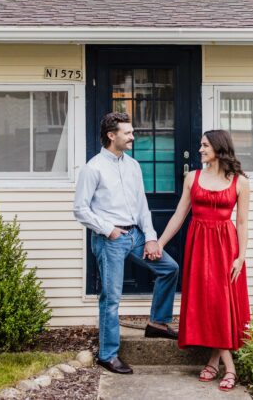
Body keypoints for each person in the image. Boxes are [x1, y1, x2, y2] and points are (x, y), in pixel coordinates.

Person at [73, 112, 180, 375]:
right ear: (112, 135)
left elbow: (142, 204)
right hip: (110, 239)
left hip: (137, 236)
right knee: (111, 298)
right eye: (128, 132)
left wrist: (151, 237)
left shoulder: (133, 165)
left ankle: (157, 323)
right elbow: (80, 210)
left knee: (170, 268)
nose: (133, 136)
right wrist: (109, 230)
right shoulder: (93, 168)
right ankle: (108, 355)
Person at [157, 129, 251, 392]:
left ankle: (217, 363)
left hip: (226, 248)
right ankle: (226, 365)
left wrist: (240, 257)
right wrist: (160, 243)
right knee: (207, 301)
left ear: (219, 148)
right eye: (200, 145)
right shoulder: (193, 177)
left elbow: (242, 222)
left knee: (221, 303)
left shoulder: (240, 182)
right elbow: (179, 215)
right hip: (199, 246)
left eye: (205, 145)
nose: (200, 149)